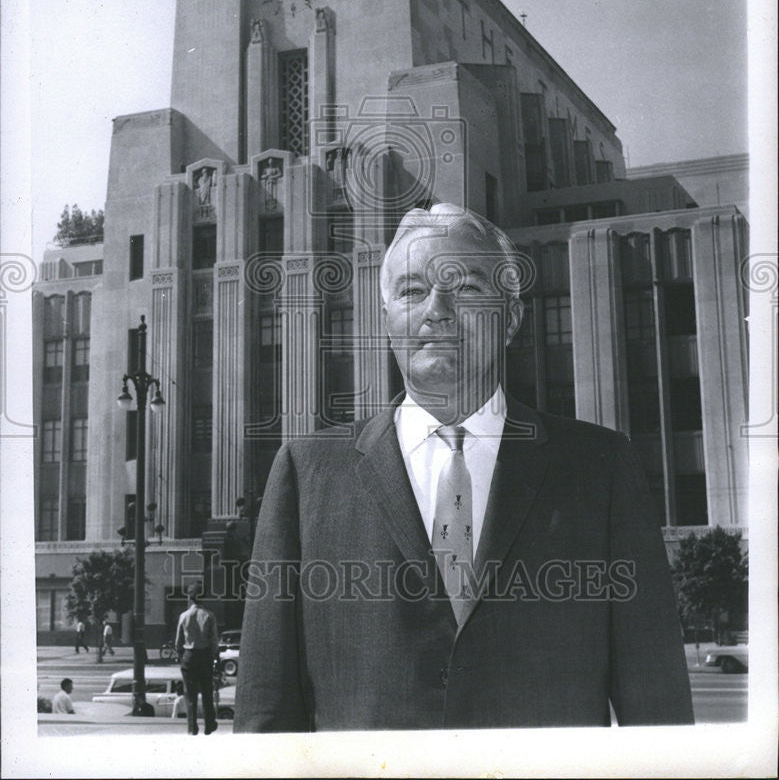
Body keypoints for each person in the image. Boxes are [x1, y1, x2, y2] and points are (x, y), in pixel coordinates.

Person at [234, 204, 694, 731]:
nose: (438, 310)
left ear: (512, 319)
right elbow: (266, 712)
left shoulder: (602, 469)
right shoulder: (306, 473)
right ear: (386, 322)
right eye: (411, 291)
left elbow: (658, 711)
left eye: (468, 288)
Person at [175, 581, 219, 735]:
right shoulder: (209, 616)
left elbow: (178, 642)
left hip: (189, 656)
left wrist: (182, 655)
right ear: (203, 597)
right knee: (207, 691)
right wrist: (214, 656)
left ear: (190, 597)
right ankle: (209, 724)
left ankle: (192, 727)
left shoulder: (183, 616)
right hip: (205, 655)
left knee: (190, 693)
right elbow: (213, 640)